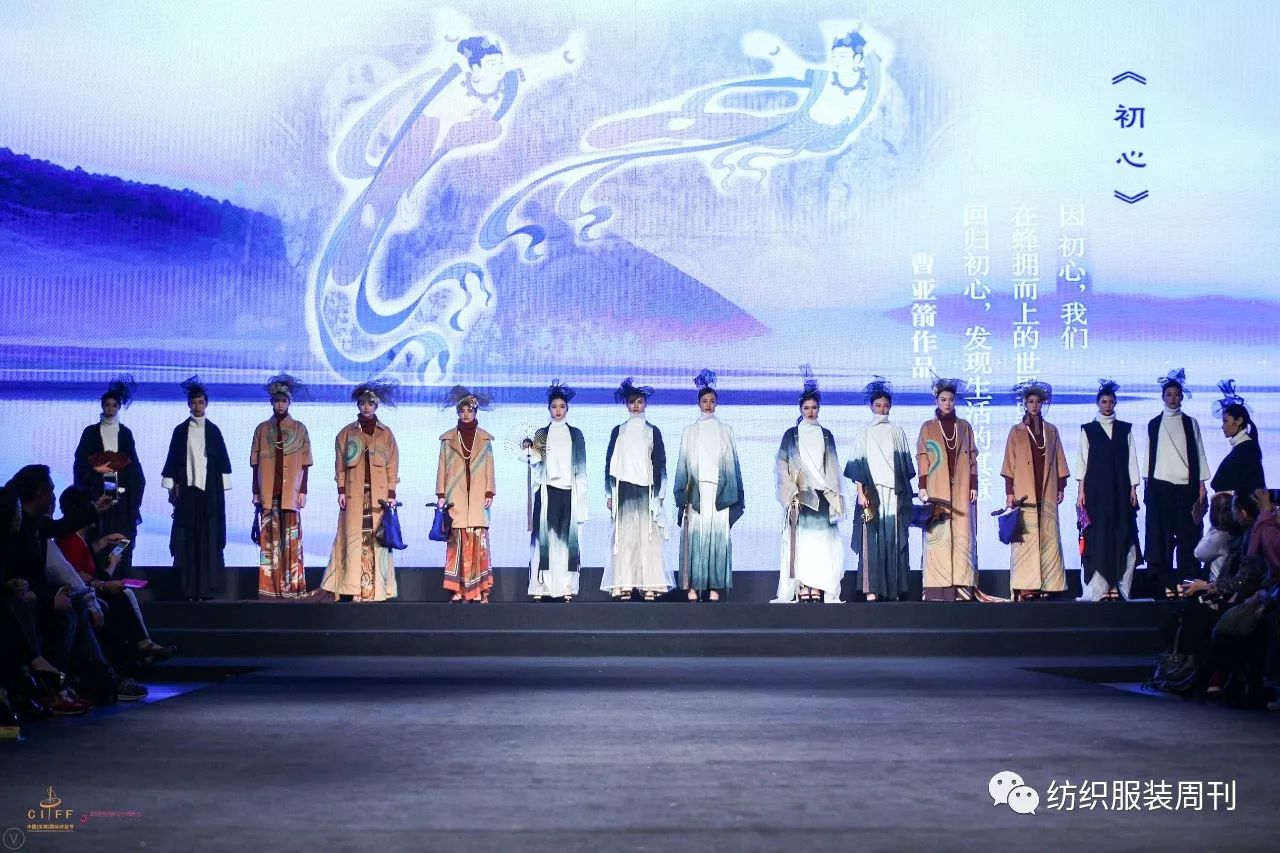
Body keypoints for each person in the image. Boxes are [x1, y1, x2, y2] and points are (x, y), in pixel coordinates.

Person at [319, 379, 401, 602]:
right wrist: (341, 490)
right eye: (363, 403)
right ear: (358, 405)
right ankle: (353, 588)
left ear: (376, 406)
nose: (366, 407)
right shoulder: (346, 433)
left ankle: (377, 589)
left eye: (370, 403)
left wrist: (391, 494)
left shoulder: (386, 433)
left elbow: (392, 465)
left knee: (378, 540)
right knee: (353, 539)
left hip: (379, 497)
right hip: (354, 495)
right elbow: (340, 466)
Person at [673, 370, 745, 602]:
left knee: (718, 539)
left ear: (716, 403)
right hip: (696, 492)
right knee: (696, 539)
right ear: (698, 403)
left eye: (712, 401)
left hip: (719, 491)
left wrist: (734, 493)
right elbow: (682, 464)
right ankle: (693, 586)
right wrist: (682, 495)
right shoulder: (689, 431)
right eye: (704, 401)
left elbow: (733, 464)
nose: (708, 404)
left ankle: (715, 586)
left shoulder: (726, 430)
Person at [773, 369, 844, 603]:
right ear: (800, 409)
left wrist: (834, 496)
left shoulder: (827, 435)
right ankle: (803, 586)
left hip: (822, 497)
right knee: (801, 544)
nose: (810, 412)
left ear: (819, 409)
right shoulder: (790, 435)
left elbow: (832, 466)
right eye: (806, 408)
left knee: (822, 544)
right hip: (800, 496)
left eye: (814, 408)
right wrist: (791, 494)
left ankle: (818, 586)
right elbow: (781, 465)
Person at [916, 375, 989, 601]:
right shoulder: (928, 427)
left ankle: (962, 587)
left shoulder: (964, 427)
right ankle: (937, 589)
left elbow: (973, 457)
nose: (947, 403)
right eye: (943, 399)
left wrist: (974, 484)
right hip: (937, 489)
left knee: (962, 534)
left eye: (950, 399)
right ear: (937, 401)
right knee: (938, 535)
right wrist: (922, 486)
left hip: (962, 488)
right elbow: (922, 457)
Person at [161, 376, 232, 601]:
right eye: (193, 402)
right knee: (189, 540)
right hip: (188, 494)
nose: (197, 406)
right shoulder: (180, 431)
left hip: (209, 493)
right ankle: (188, 589)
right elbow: (172, 460)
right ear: (188, 404)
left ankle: (206, 589)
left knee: (208, 539)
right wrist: (171, 489)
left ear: (206, 403)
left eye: (200, 402)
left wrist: (222, 491)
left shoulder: (213, 431)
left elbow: (223, 462)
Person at [846, 376, 915, 602]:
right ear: (871, 407)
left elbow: (905, 467)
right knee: (871, 540)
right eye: (878, 405)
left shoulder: (897, 432)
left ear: (890, 407)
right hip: (871, 494)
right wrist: (860, 493)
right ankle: (871, 589)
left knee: (893, 539)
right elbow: (857, 465)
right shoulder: (864, 433)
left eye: (886, 405)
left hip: (893, 493)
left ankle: (893, 589)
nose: (882, 409)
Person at [602, 378, 671, 601]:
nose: (635, 406)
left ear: (645, 404)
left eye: (640, 402)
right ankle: (624, 583)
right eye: (632, 402)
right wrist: (610, 493)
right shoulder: (618, 431)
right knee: (624, 538)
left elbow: (660, 464)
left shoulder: (652, 431)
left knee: (648, 537)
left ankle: (650, 584)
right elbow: (609, 463)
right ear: (626, 404)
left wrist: (660, 493)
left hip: (646, 489)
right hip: (623, 489)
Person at [1144, 369, 1210, 599]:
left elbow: (1199, 453)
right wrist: (1146, 485)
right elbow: (1149, 456)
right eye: (1169, 394)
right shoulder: (1154, 424)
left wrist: (1202, 485)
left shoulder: (1191, 423)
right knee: (1160, 537)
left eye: (1176, 395)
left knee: (1188, 537)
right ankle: (1164, 583)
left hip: (1186, 487)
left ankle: (1187, 581)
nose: (1173, 398)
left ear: (1182, 397)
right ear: (1163, 397)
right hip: (1160, 486)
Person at [1000, 380, 1070, 601]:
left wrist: (1061, 486)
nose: (1034, 405)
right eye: (1030, 401)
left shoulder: (1051, 430)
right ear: (1025, 404)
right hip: (1024, 491)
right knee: (1026, 540)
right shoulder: (1016, 431)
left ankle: (1050, 584)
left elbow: (1059, 459)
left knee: (1048, 537)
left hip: (1046, 489)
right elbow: (1009, 464)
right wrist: (1009, 492)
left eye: (1038, 402)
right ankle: (1026, 585)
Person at [1075, 379, 1142, 602]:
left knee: (1121, 534)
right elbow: (1082, 461)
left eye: (1111, 401)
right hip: (1095, 491)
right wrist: (1081, 491)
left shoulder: (1124, 429)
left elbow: (1132, 460)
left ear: (1115, 403)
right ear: (1098, 403)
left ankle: (1118, 586)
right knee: (1100, 537)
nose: (1107, 405)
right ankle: (1101, 587)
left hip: (1121, 490)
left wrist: (1133, 488)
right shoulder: (1089, 429)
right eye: (1104, 401)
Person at [72, 375, 145, 577]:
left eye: (114, 405)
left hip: (122, 498)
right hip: (97, 493)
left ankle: (119, 576)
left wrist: (131, 493)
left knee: (122, 537)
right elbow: (80, 461)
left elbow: (134, 467)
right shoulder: (91, 432)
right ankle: (97, 577)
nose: (110, 409)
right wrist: (95, 471)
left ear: (119, 407)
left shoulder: (125, 433)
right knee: (99, 533)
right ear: (102, 406)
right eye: (107, 405)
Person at [522, 380, 588, 602]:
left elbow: (582, 468)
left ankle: (567, 586)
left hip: (569, 493)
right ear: (548, 408)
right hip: (547, 493)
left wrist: (580, 496)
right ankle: (541, 587)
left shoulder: (576, 434)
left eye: (561, 406)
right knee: (545, 540)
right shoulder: (541, 433)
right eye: (554, 406)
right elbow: (535, 462)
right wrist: (529, 450)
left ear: (567, 408)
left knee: (569, 542)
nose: (558, 410)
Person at [251, 374, 313, 599]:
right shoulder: (261, 429)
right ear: (271, 402)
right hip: (268, 493)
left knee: (290, 543)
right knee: (270, 543)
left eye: (283, 400)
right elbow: (255, 464)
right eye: (276, 400)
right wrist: (256, 491)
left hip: (291, 495)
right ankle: (270, 589)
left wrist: (303, 491)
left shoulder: (299, 428)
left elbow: (305, 464)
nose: (280, 404)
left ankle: (293, 588)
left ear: (289, 402)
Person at [437, 386, 497, 603]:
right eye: (462, 411)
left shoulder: (485, 440)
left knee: (478, 542)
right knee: (458, 542)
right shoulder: (447, 439)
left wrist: (490, 491)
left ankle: (480, 589)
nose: (465, 414)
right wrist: (441, 494)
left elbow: (490, 468)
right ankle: (457, 590)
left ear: (475, 412)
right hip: (456, 496)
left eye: (469, 410)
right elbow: (442, 468)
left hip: (479, 497)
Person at [1209, 379, 1264, 496]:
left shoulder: (1247, 449)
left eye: (1225, 421)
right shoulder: (1243, 447)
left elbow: (1254, 487)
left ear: (1238, 421)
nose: (1222, 426)